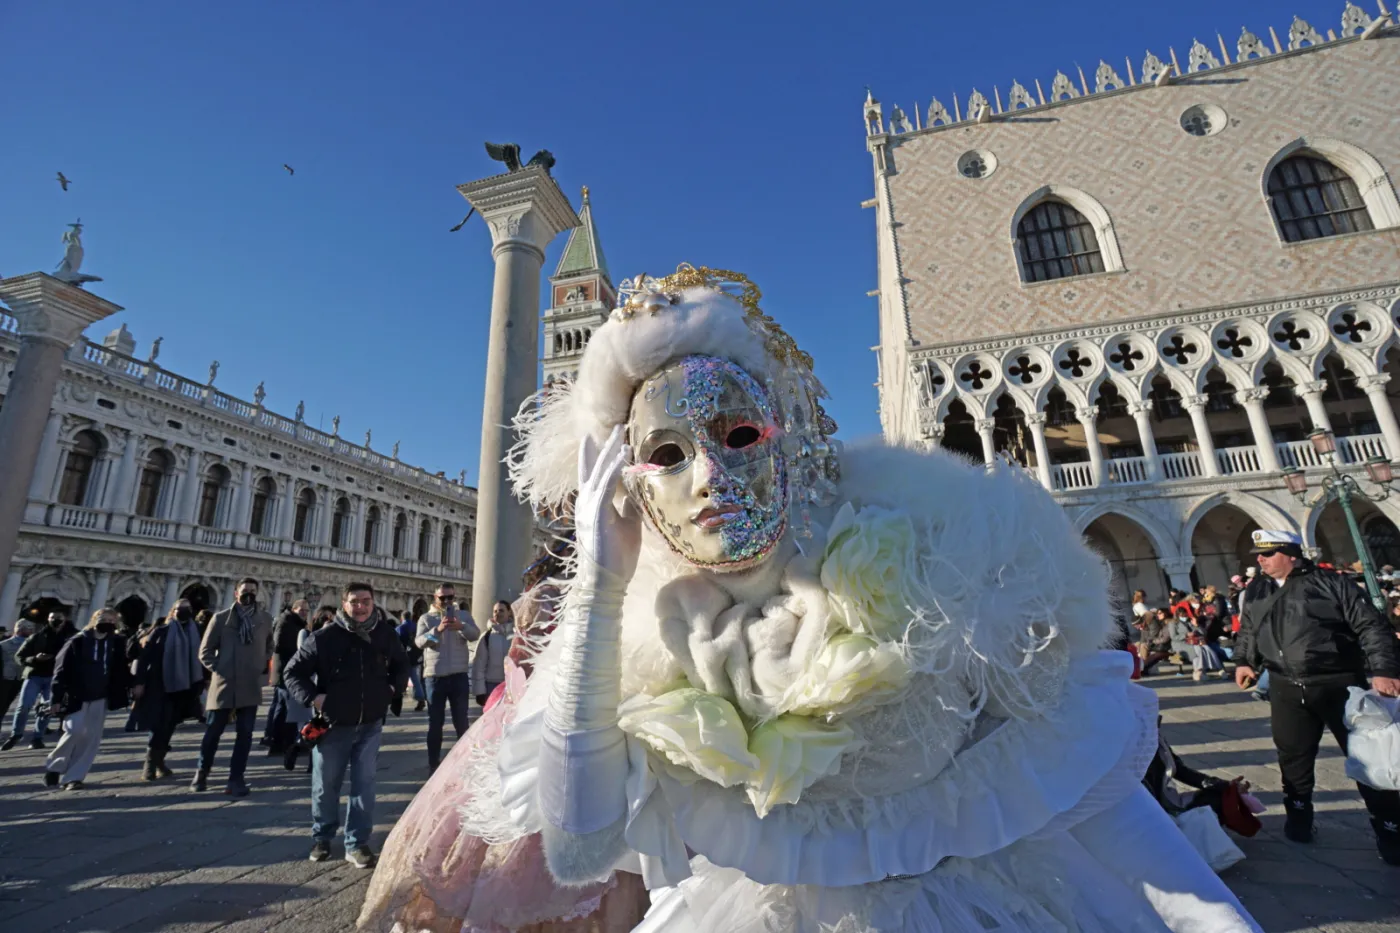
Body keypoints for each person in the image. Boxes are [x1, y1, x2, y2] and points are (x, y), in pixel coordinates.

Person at [357, 266, 1261, 931]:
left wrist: (1217, 922)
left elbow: (1089, 806)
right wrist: (596, 587)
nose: (709, 474)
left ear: (788, 438)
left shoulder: (947, 561)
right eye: (667, 453)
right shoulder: (645, 641)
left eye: (739, 433)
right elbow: (582, 845)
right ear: (628, 485)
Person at [1235, 529, 1400, 865]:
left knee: (1368, 757)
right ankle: (1299, 817)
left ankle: (1390, 829)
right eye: (1258, 555)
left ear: (1292, 554)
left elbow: (1371, 626)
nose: (1260, 560)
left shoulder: (1331, 583)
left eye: (1268, 553)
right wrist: (1243, 661)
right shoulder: (1258, 587)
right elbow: (1249, 629)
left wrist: (1384, 670)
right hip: (1284, 685)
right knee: (1292, 756)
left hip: (1337, 683)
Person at [284, 582, 407, 869]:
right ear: (344, 604)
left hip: (370, 723)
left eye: (366, 600)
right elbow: (292, 672)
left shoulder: (385, 634)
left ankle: (356, 842)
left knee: (364, 785)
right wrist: (314, 698)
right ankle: (322, 836)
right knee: (326, 785)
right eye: (354, 601)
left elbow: (402, 665)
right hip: (334, 724)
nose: (361, 606)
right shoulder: (325, 637)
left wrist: (391, 689)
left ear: (373, 603)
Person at [192, 578, 273, 797]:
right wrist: (221, 668)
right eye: (245, 591)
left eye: (253, 591)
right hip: (224, 684)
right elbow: (204, 652)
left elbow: (269, 646)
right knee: (213, 732)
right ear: (236, 593)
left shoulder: (265, 619)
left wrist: (259, 665)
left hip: (249, 685)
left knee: (245, 734)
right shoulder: (220, 619)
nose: (249, 595)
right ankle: (202, 771)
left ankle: (236, 778)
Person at [43, 609, 130, 789]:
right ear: (93, 620)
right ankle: (55, 765)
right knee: (73, 731)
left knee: (90, 738)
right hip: (76, 695)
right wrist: (55, 699)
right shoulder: (78, 641)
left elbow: (121, 668)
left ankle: (73, 777)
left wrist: (131, 685)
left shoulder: (116, 643)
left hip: (101, 695)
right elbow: (60, 671)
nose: (107, 622)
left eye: (111, 620)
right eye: (103, 619)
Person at [129, 599, 205, 781]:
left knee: (171, 724)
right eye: (179, 609)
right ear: (173, 611)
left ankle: (159, 761)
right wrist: (139, 682)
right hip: (160, 684)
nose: (182, 612)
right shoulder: (161, 631)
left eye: (187, 609)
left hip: (186, 686)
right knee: (158, 724)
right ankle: (150, 764)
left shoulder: (197, 632)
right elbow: (145, 657)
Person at [415, 584, 479, 772]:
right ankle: (434, 763)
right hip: (435, 677)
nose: (447, 601)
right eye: (442, 598)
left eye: (450, 597)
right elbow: (419, 642)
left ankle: (465, 761)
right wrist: (438, 630)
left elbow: (474, 635)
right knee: (435, 723)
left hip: (459, 675)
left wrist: (461, 627)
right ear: (435, 598)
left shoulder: (464, 616)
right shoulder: (426, 618)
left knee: (462, 721)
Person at [3, 612, 77, 750]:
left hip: (54, 678)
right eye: (53, 618)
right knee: (24, 706)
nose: (56, 621)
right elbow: (19, 657)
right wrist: (35, 659)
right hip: (34, 675)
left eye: (59, 619)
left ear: (64, 621)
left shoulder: (68, 640)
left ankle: (37, 737)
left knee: (47, 708)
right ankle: (16, 734)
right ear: (48, 619)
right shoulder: (36, 637)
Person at [264, 599, 310, 754]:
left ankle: (277, 742)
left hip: (285, 671)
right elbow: (276, 645)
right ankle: (280, 743)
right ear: (294, 609)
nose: (304, 613)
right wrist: (297, 653)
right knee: (286, 709)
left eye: (306, 610)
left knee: (281, 707)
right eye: (301, 610)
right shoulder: (286, 622)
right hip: (285, 671)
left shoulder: (293, 622)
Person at [1169, 607, 1223, 681]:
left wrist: (1196, 625)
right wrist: (1186, 635)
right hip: (1179, 644)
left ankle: (1218, 668)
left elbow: (1203, 633)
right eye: (1182, 616)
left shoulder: (1190, 622)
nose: (1184, 617)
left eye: (1185, 615)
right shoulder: (1173, 623)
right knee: (1197, 649)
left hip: (1193, 642)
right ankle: (1198, 670)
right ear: (1178, 615)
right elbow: (1173, 637)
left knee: (1206, 648)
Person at [1, 620, 36, 723]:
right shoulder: (4, 645)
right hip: (5, 679)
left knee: (6, 706)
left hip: (20, 678)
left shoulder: (31, 645)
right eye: (29, 628)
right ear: (20, 629)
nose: (31, 630)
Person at [396, 610, 426, 712]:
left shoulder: (399, 628)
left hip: (403, 658)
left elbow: (395, 643)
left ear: (402, 618)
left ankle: (396, 700)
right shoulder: (417, 626)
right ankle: (421, 699)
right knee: (415, 679)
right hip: (415, 657)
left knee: (399, 679)